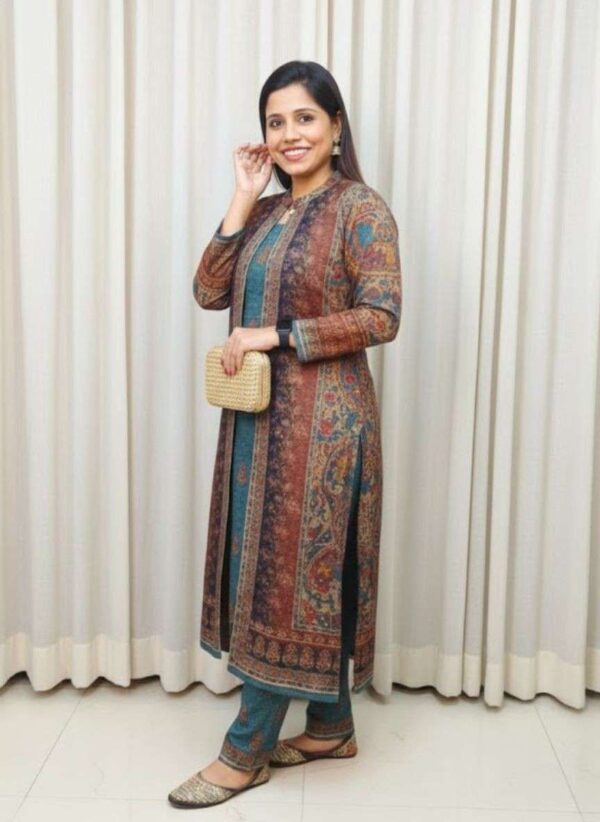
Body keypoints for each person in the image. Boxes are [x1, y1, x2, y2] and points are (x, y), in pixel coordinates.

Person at [169, 59, 402, 810]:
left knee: (290, 579)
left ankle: (246, 750)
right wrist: (242, 196)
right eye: (276, 122)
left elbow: (382, 315)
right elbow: (208, 290)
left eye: (305, 118)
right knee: (259, 566)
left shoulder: (361, 208)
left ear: (335, 128)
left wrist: (276, 334)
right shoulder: (267, 211)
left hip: (324, 430)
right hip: (255, 422)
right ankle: (331, 727)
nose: (290, 133)